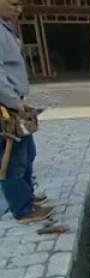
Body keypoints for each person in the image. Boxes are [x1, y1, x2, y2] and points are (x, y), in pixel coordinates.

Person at [0, 0, 53, 223]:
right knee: (13, 161)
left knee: (27, 155)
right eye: (14, 4)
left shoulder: (5, 27)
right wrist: (14, 101)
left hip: (15, 103)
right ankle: (23, 210)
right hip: (6, 108)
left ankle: (28, 197)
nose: (19, 10)